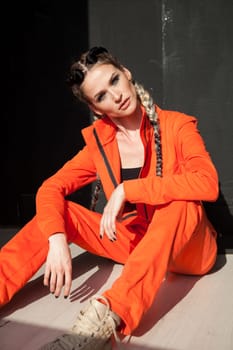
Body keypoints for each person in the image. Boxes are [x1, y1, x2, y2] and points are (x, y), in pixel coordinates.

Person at [0, 46, 219, 349]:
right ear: (97, 109)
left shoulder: (176, 126)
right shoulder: (100, 144)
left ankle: (105, 318)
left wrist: (129, 189)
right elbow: (51, 188)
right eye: (101, 95)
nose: (115, 95)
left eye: (114, 80)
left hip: (189, 250)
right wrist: (56, 238)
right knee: (54, 213)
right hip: (135, 242)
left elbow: (207, 183)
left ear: (127, 73)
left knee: (181, 202)